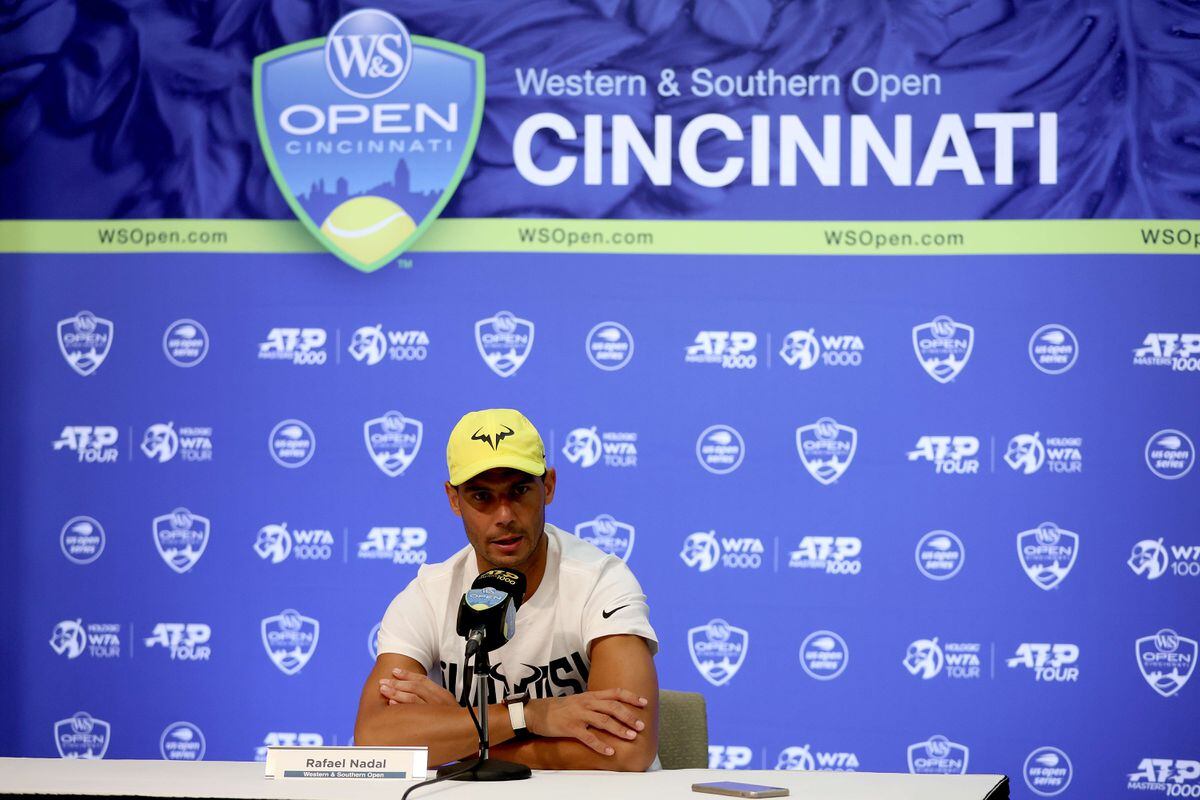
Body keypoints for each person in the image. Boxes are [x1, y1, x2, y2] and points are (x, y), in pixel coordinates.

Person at [354, 408, 659, 771]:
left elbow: (627, 751)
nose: (504, 516)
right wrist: (528, 716)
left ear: (548, 486)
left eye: (519, 491)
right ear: (454, 500)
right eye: (481, 497)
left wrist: (461, 737)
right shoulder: (427, 596)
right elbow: (374, 738)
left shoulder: (600, 581)